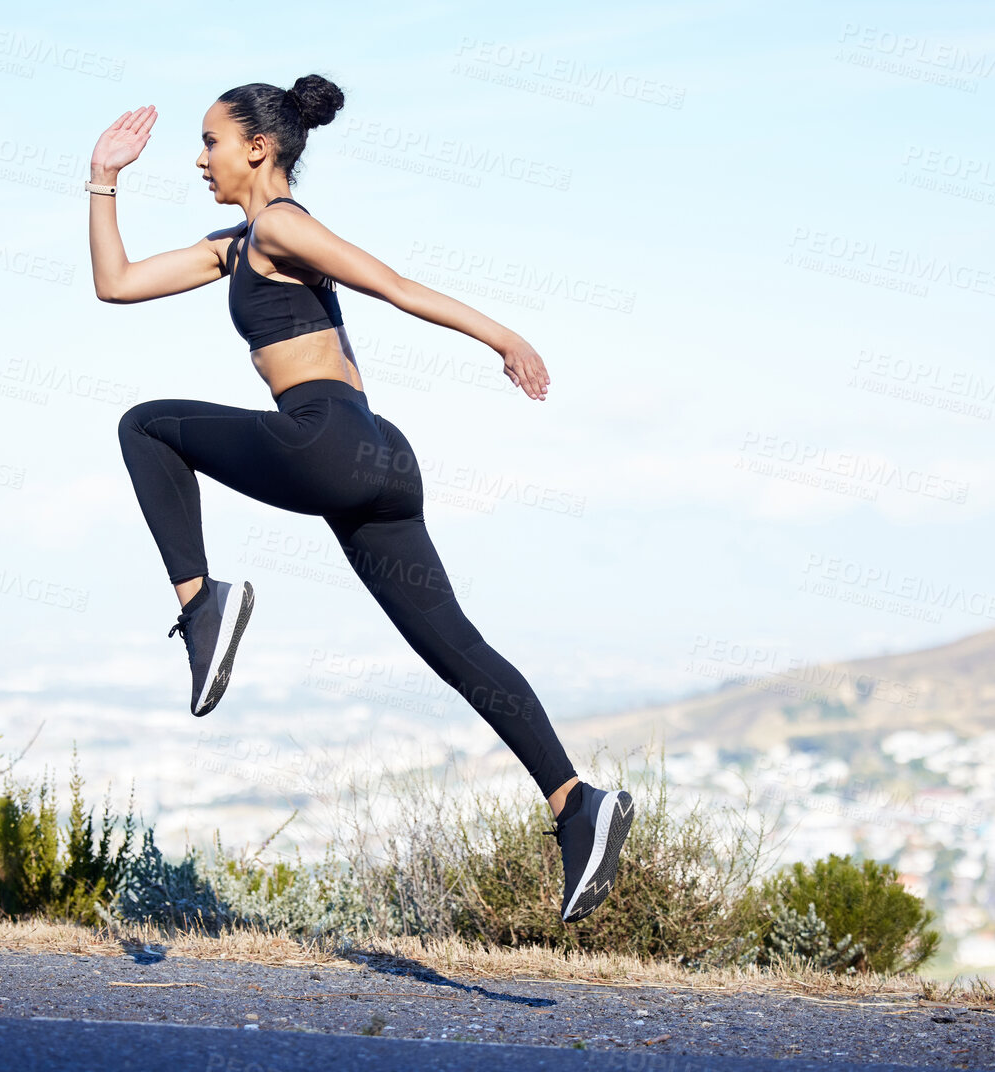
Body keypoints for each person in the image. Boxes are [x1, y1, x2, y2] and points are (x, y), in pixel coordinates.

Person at [87, 75, 631, 922]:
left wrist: (505, 338)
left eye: (211, 142)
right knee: (454, 647)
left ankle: (204, 605)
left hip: (325, 443)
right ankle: (574, 800)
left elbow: (392, 284)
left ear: (257, 149)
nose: (199, 159)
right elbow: (115, 284)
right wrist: (103, 176)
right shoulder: (236, 243)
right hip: (379, 458)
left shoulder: (278, 226)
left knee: (145, 426)